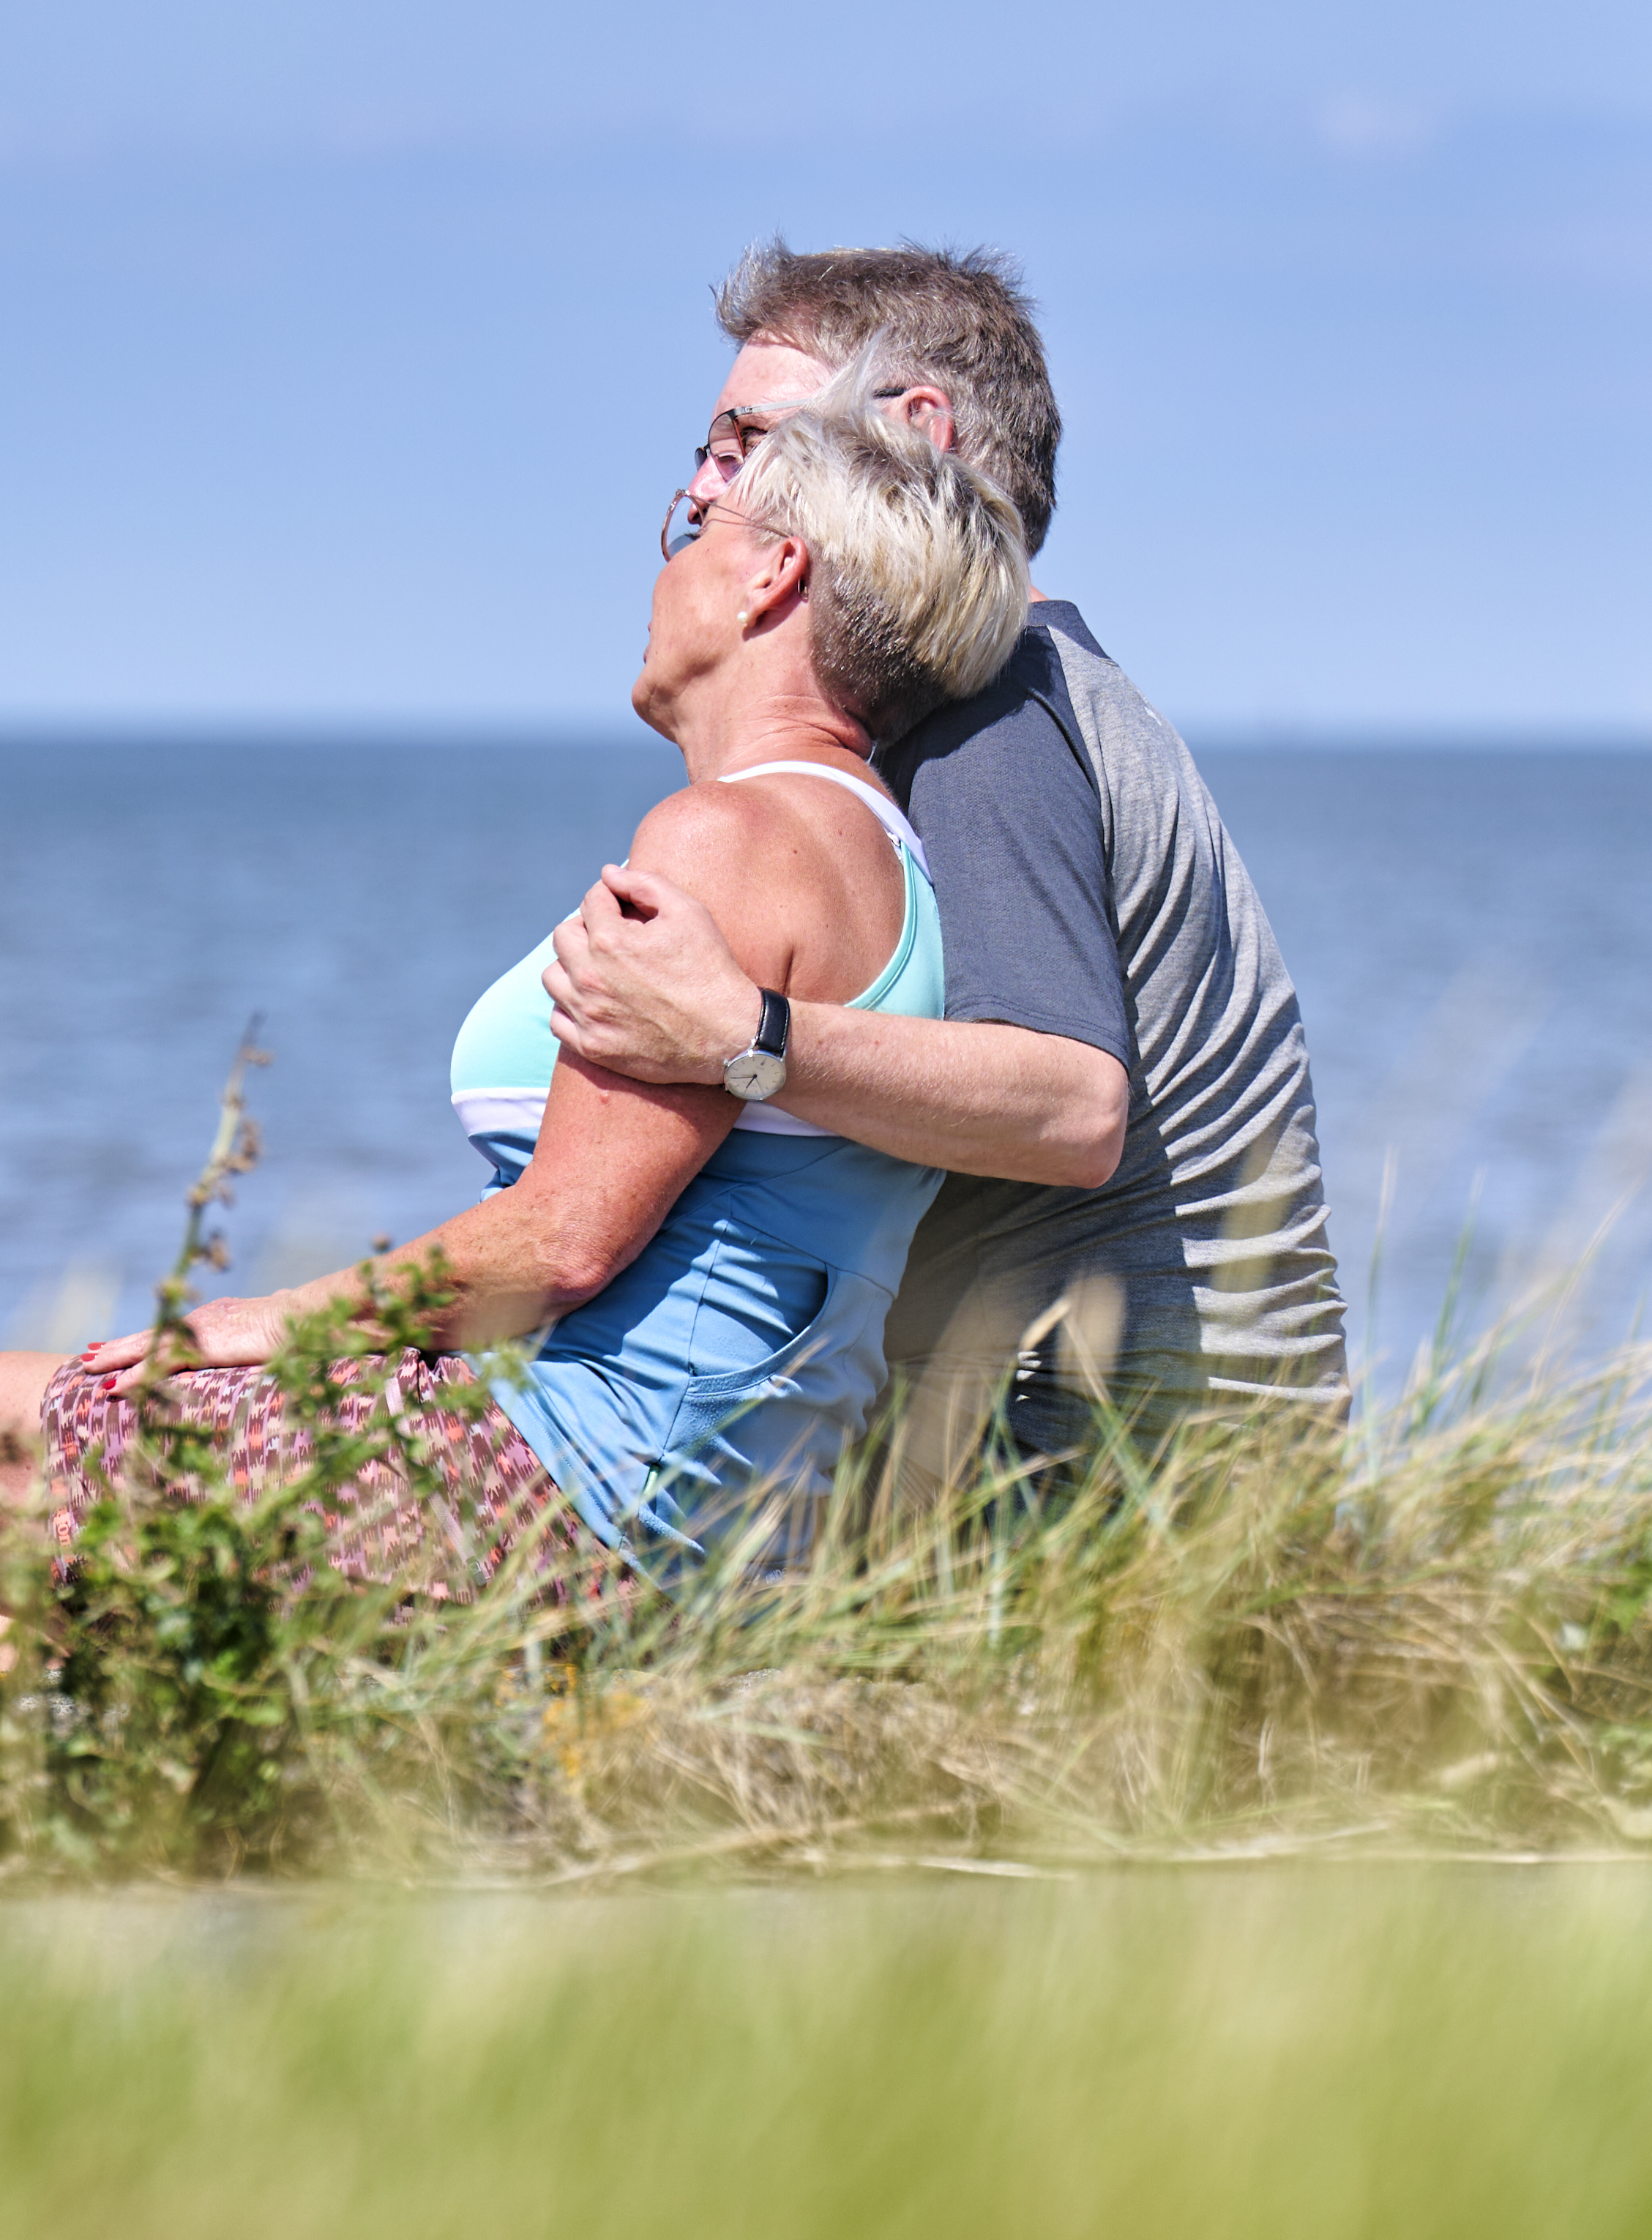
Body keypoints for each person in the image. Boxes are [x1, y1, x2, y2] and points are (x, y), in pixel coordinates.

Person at [0, 388, 1033, 1676]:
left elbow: (561, 1239)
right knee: (16, 1582)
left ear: (771, 577)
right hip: (708, 1523)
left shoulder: (727, 839)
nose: (659, 572)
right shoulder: (886, 857)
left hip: (578, 1506)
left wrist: (272, 1319)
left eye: (696, 538)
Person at [547, 242, 1346, 1498]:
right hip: (1169, 1452)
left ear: (919, 433)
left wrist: (739, 1031)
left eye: (741, 441)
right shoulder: (1037, 692)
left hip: (1102, 1467)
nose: (705, 492)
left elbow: (1072, 1106)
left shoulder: (991, 715)